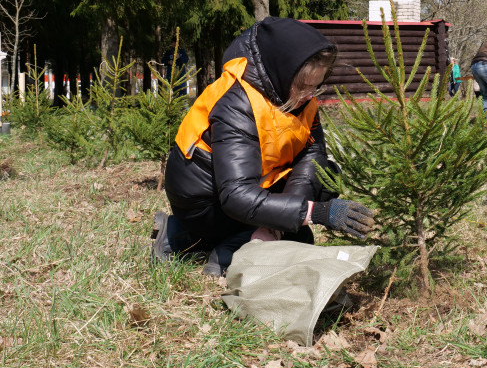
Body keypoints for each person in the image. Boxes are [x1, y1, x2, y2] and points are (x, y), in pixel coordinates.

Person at [151, 17, 375, 277]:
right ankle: (188, 237)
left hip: (252, 185)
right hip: (207, 202)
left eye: (317, 85)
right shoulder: (237, 103)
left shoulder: (295, 98)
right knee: (299, 236)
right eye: (303, 86)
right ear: (282, 70)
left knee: (324, 181)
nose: (310, 95)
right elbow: (235, 195)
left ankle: (242, 240)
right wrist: (315, 213)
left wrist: (280, 223)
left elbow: (311, 156)